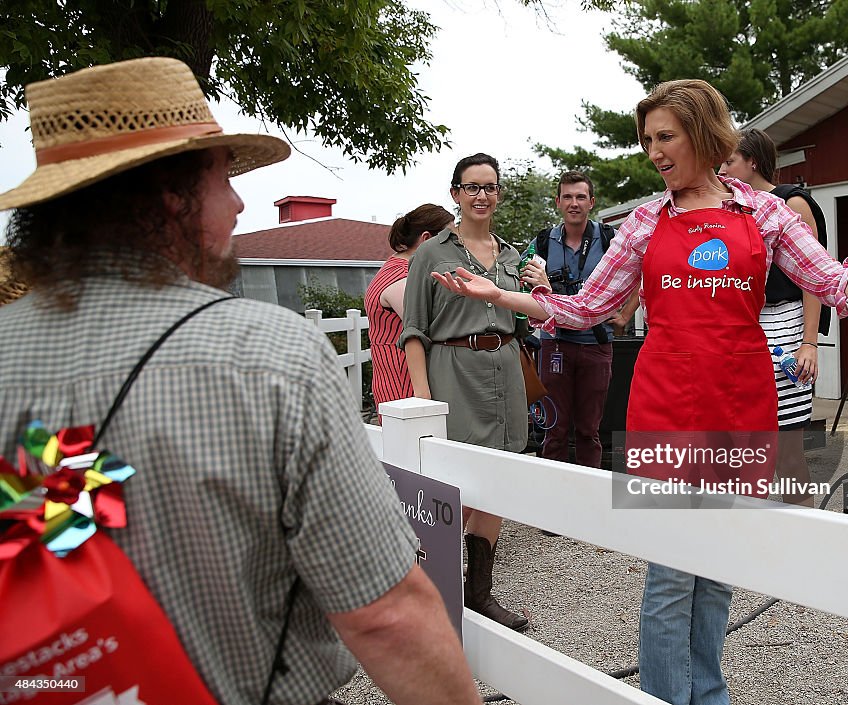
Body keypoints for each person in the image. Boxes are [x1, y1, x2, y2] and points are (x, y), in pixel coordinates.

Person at [438, 79, 848, 705]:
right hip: (665, 404)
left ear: (703, 134)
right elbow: (586, 308)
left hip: (743, 402)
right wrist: (504, 297)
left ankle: (708, 694)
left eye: (666, 137)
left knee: (720, 564)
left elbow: (830, 280)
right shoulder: (642, 223)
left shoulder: (764, 214)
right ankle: (665, 697)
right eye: (646, 141)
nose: (654, 152)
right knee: (669, 572)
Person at [0, 58, 481, 705]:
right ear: (170, 195)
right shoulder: (268, 353)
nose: (239, 201)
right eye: (223, 176)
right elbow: (385, 612)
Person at [399, 153, 531, 632]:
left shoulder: (514, 255)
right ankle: (431, 591)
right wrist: (424, 400)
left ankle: (479, 594)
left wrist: (543, 289)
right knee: (451, 486)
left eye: (490, 187)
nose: (482, 196)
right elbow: (413, 329)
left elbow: (533, 315)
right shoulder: (433, 253)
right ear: (455, 194)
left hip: (506, 370)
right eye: (472, 187)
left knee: (497, 482)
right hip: (453, 371)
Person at [720, 128, 830, 506]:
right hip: (741, 328)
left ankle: (804, 536)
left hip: (784, 326)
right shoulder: (731, 206)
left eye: (730, 160)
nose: (723, 168)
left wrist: (810, 343)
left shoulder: (791, 202)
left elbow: (814, 277)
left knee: (787, 450)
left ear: (753, 161)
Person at [528, 171, 615, 471]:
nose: (574, 203)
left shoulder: (609, 238)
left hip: (597, 343)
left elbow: (638, 273)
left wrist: (626, 313)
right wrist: (542, 288)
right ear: (558, 202)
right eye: (567, 196)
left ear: (591, 202)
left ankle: (589, 496)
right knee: (555, 428)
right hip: (556, 344)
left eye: (580, 197)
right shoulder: (541, 242)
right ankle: (553, 498)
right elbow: (525, 286)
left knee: (590, 430)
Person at [366, 204, 454, 420]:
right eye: (449, 239)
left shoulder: (396, 269)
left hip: (399, 381)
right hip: (404, 385)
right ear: (427, 239)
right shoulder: (402, 279)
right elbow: (431, 326)